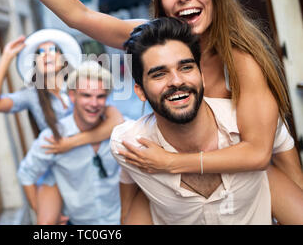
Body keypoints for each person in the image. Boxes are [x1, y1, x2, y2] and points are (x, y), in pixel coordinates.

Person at [0, 0, 303, 218]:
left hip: (259, 159)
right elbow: (78, 15)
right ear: (161, 3)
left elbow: (259, 153)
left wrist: (171, 163)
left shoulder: (241, 60)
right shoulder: (149, 39)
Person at [111, 17, 303, 224]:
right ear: (140, 91)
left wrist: (170, 163)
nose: (176, 81)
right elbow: (131, 188)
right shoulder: (130, 145)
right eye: (159, 74)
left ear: (202, 76)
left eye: (185, 68)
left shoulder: (250, 127)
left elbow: (291, 181)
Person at [0, 29, 123, 224]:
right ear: (35, 63)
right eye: (40, 52)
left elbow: (115, 120)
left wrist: (71, 143)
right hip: (58, 161)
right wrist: (6, 58)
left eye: (52, 49)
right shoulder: (31, 95)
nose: (47, 54)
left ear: (63, 57)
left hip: (84, 154)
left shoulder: (79, 85)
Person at [17, 61, 121, 225]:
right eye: (86, 95)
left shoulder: (121, 130)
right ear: (72, 96)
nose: (94, 103)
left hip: (121, 219)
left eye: (100, 96)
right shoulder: (54, 137)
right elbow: (26, 174)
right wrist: (41, 211)